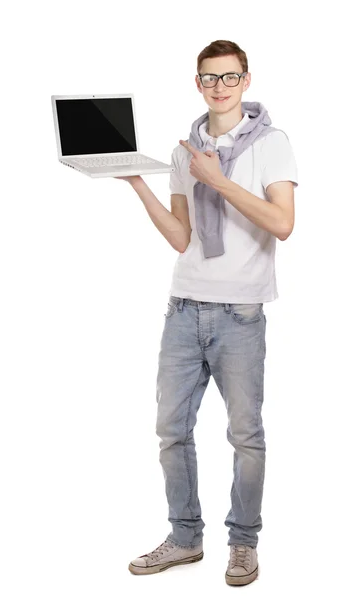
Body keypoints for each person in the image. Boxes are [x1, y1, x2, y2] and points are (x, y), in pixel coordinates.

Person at [116, 39, 298, 585]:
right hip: (183, 308)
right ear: (198, 83)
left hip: (240, 315)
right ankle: (185, 538)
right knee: (171, 430)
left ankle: (243, 544)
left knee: (246, 436)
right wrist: (137, 184)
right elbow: (180, 237)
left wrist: (218, 180)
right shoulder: (184, 151)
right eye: (208, 78)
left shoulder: (272, 144)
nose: (219, 87)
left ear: (246, 80)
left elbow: (283, 224)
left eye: (229, 77)